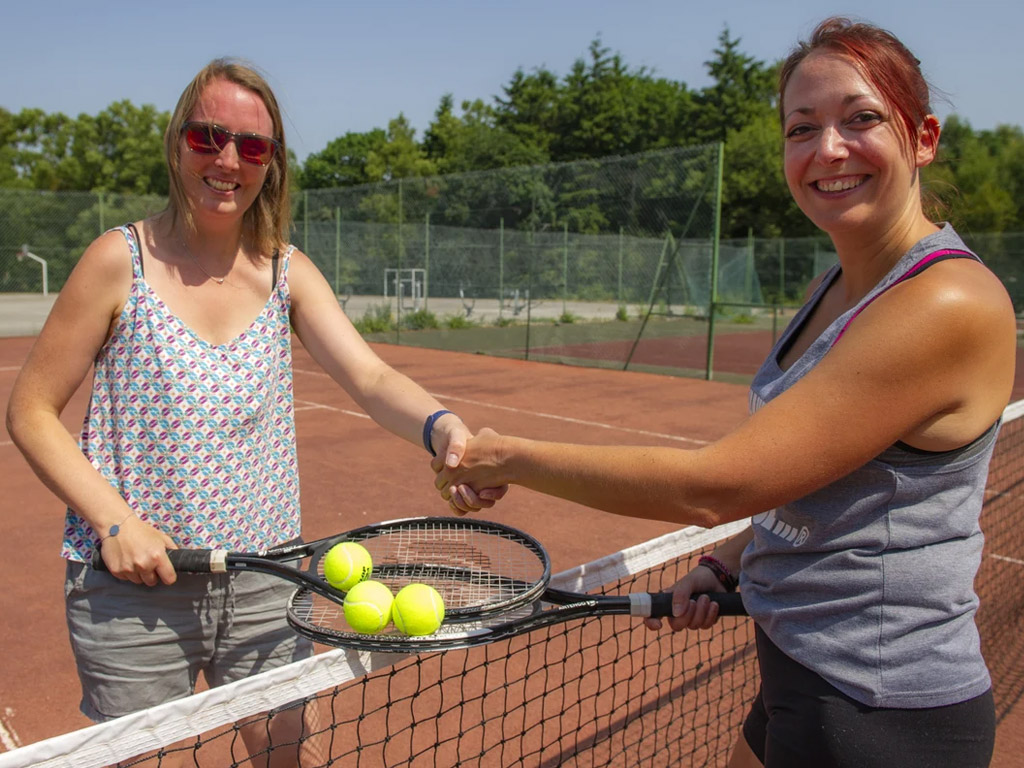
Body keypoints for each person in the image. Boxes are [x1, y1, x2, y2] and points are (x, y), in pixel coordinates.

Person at [434, 17, 1015, 768]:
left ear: (923, 137)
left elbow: (719, 485)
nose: (827, 149)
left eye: (861, 118)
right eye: (801, 129)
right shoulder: (833, 286)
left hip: (882, 712)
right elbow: (817, 487)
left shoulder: (947, 303)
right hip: (803, 672)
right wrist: (730, 564)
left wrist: (506, 455)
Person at [5, 58, 497, 765]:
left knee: (285, 757)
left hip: (269, 582)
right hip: (137, 591)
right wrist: (116, 522)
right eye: (209, 136)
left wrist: (445, 430)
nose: (229, 159)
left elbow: (370, 374)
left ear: (273, 164)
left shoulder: (286, 271)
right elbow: (30, 410)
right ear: (178, 141)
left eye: (253, 146)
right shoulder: (120, 260)